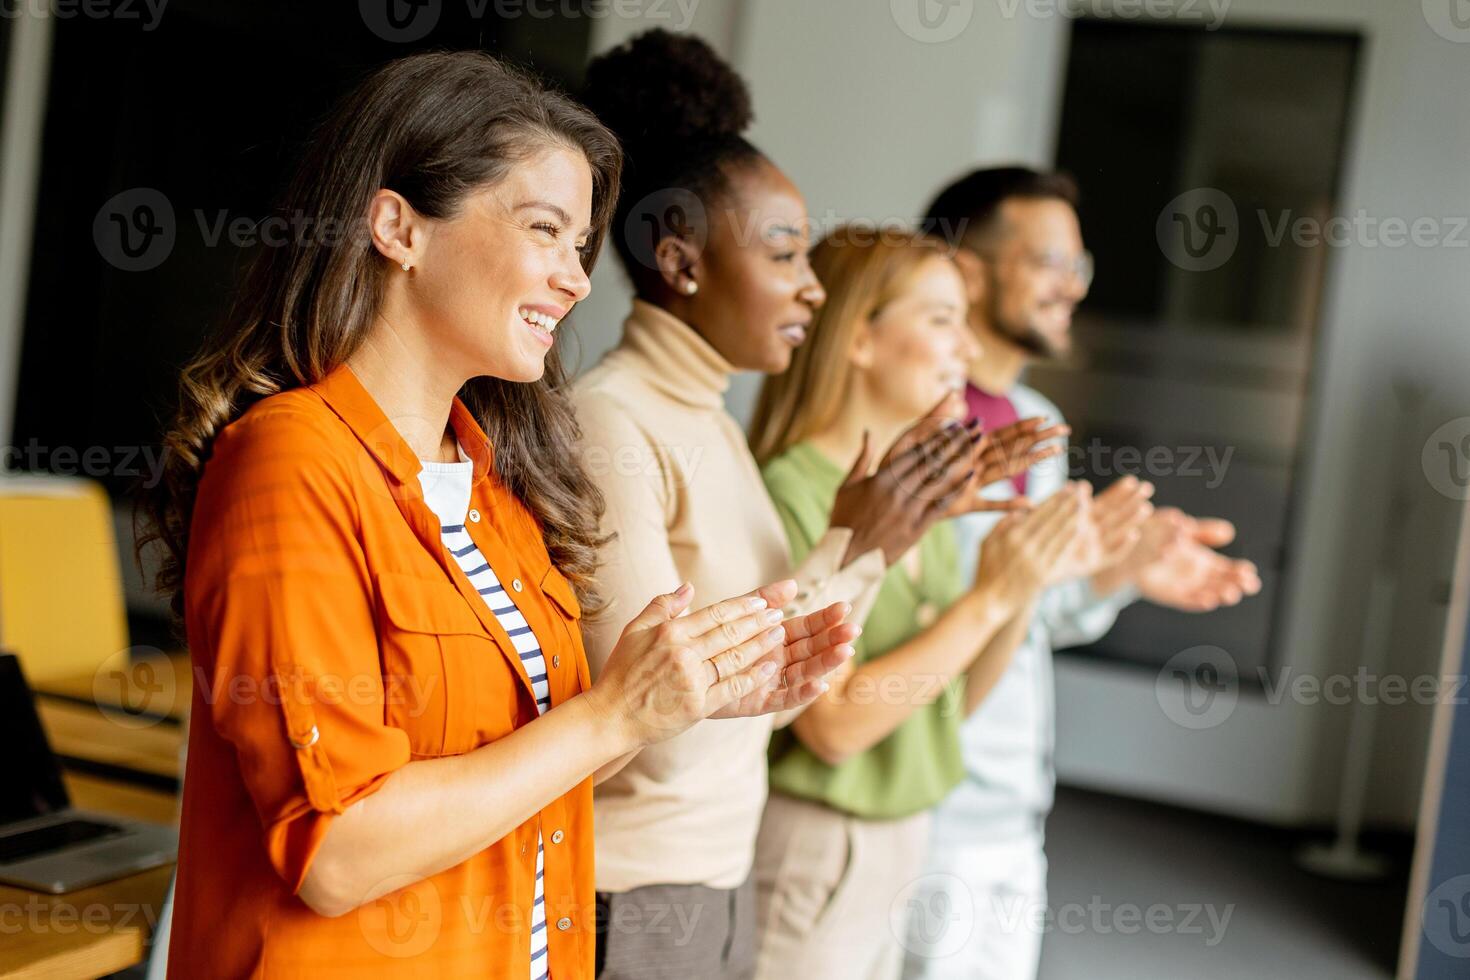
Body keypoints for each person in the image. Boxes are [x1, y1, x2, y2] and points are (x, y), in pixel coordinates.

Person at [142, 52, 855, 979]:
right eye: (546, 230)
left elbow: (539, 774)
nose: (578, 278)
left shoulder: (495, 488)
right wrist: (613, 714)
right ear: (398, 226)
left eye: (580, 244)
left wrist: (666, 707)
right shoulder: (289, 463)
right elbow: (340, 849)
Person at [571, 32, 1057, 980]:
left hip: (716, 876)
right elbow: (661, 733)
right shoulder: (612, 423)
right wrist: (855, 546)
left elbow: (784, 685)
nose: (812, 286)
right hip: (633, 889)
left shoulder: (711, 427)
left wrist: (875, 542)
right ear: (683, 262)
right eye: (786, 253)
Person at [745, 229, 1154, 980]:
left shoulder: (919, 498)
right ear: (858, 339)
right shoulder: (794, 490)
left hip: (904, 837)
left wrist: (1020, 587)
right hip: (820, 841)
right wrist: (988, 599)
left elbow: (947, 706)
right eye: (940, 319)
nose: (966, 347)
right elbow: (832, 727)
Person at [902, 167, 1264, 980]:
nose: (1072, 287)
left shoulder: (1038, 422)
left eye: (1079, 266)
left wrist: (1119, 572)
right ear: (966, 268)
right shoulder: (906, 413)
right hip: (922, 798)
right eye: (1049, 262)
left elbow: (1035, 612)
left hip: (1013, 805)